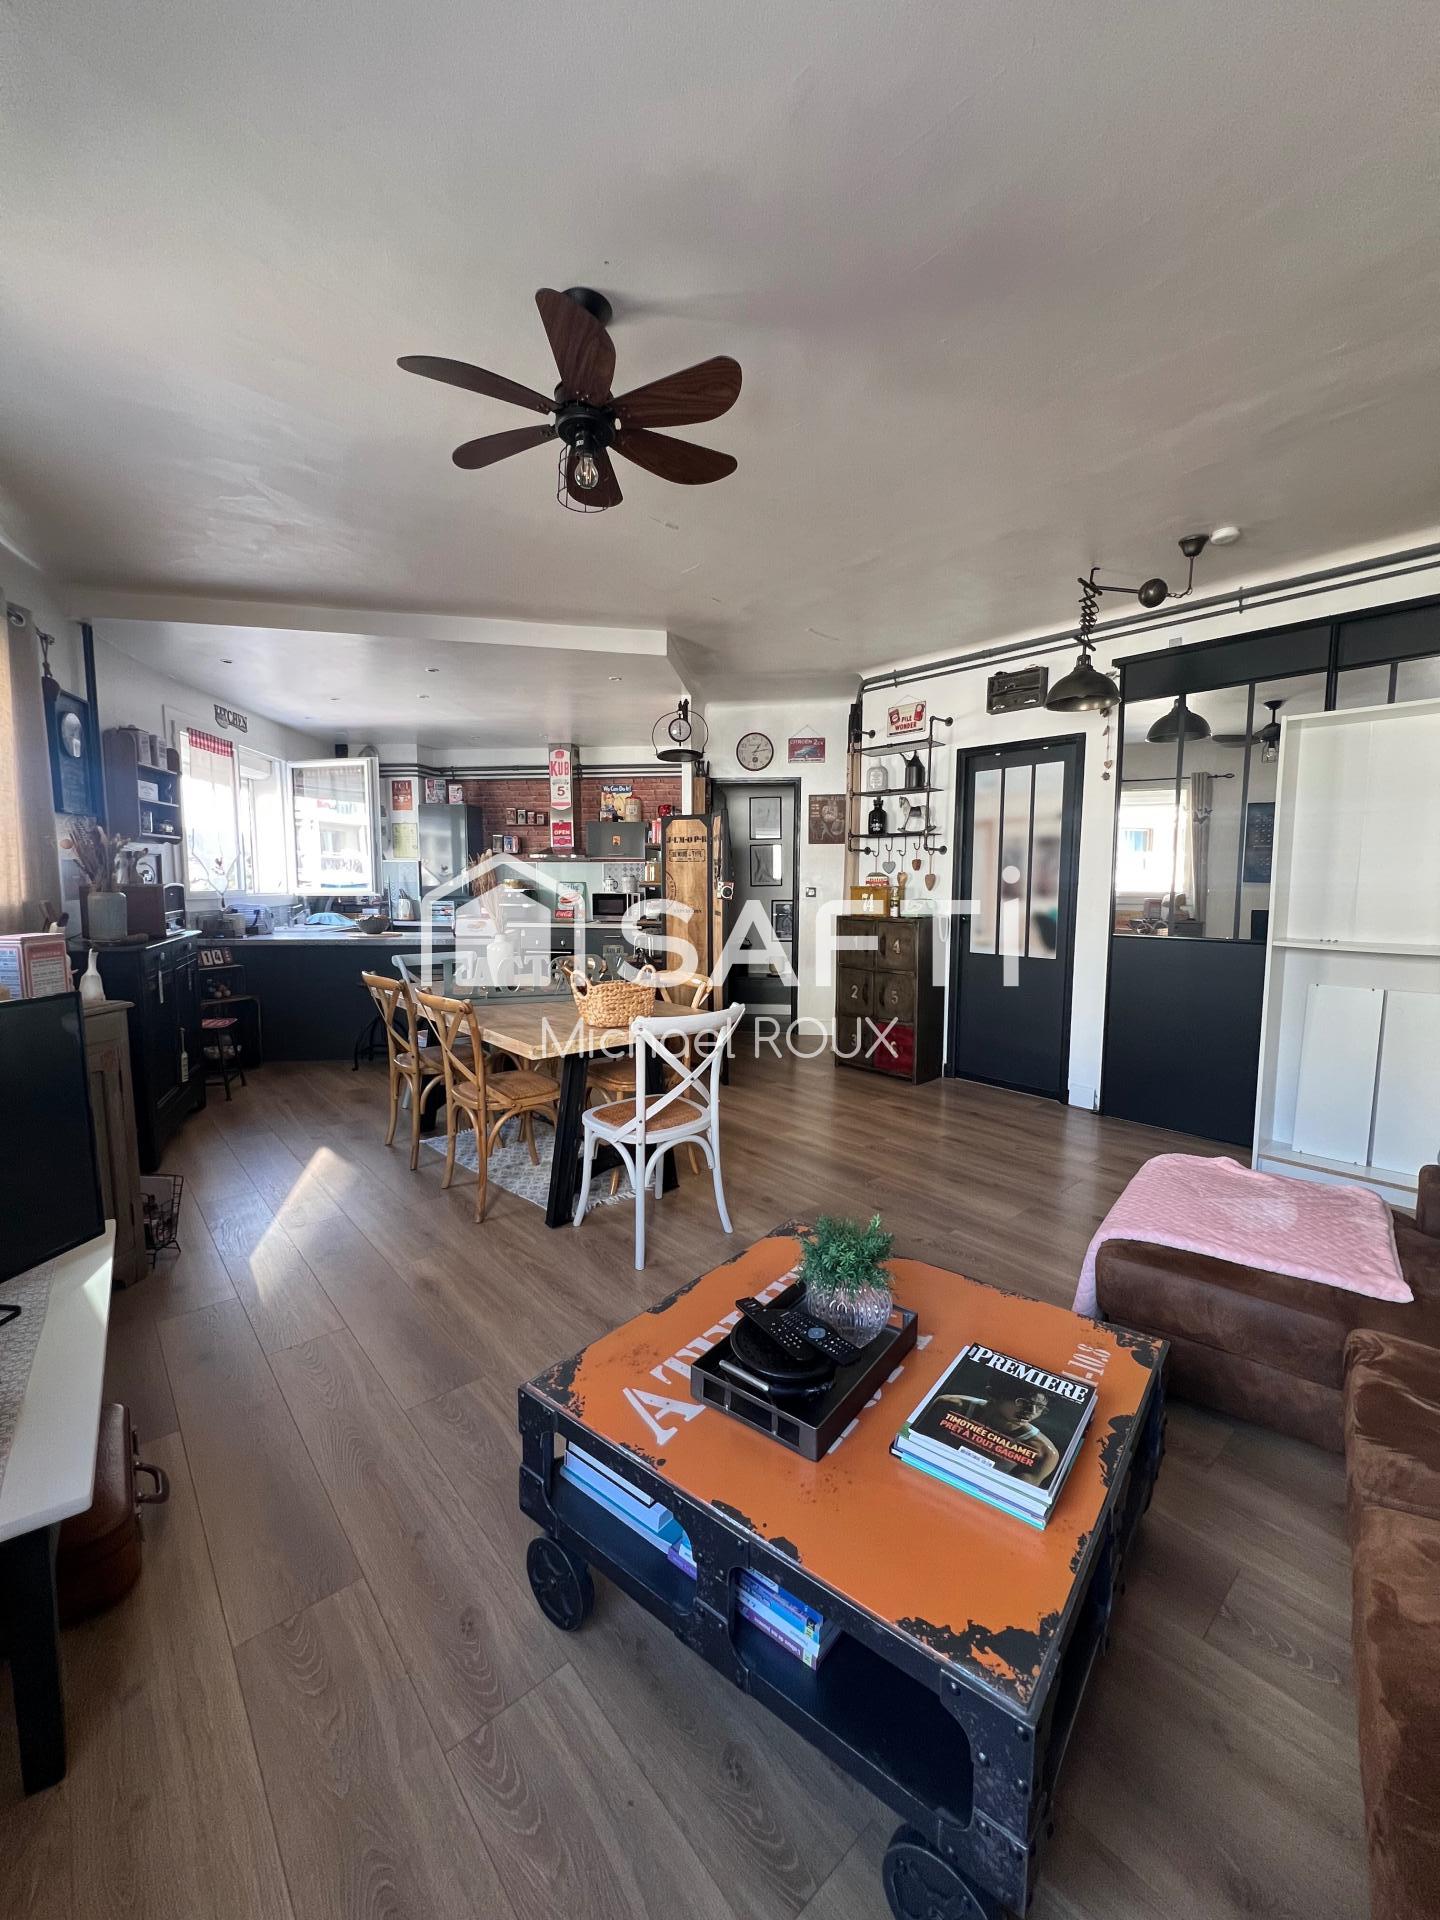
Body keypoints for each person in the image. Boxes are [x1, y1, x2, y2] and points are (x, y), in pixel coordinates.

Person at [934, 1388, 1060, 1486]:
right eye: (1023, 1402)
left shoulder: (1043, 1453)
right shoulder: (950, 1406)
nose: (1032, 1411)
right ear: (996, 1394)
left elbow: (1010, 1498)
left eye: (1040, 1407)